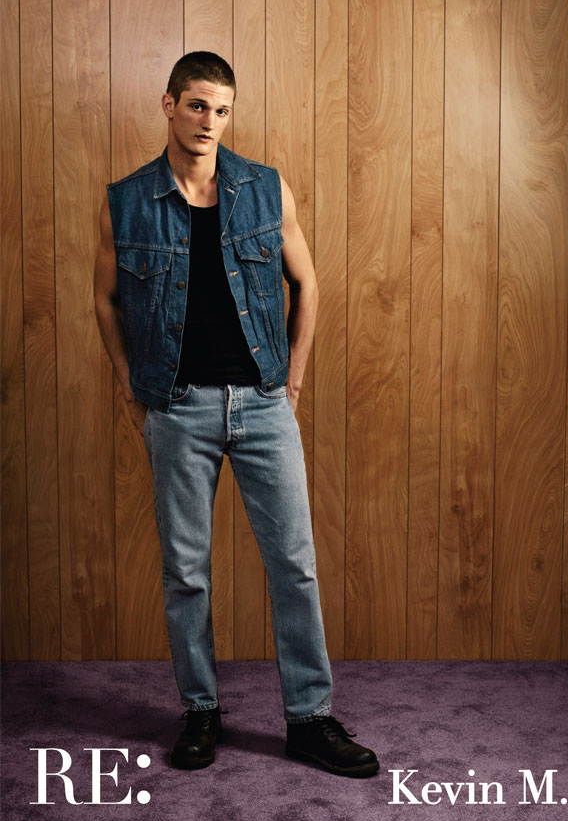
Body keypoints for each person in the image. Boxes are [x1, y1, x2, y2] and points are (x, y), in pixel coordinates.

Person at [94, 51, 378, 779]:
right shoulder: (126, 201)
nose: (209, 122)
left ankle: (310, 719)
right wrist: (130, 390)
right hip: (177, 406)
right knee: (186, 571)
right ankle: (200, 711)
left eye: (221, 110)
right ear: (168, 105)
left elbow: (307, 284)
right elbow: (105, 298)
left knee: (295, 566)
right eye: (197, 106)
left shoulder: (265, 189)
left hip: (262, 402)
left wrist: (294, 381)